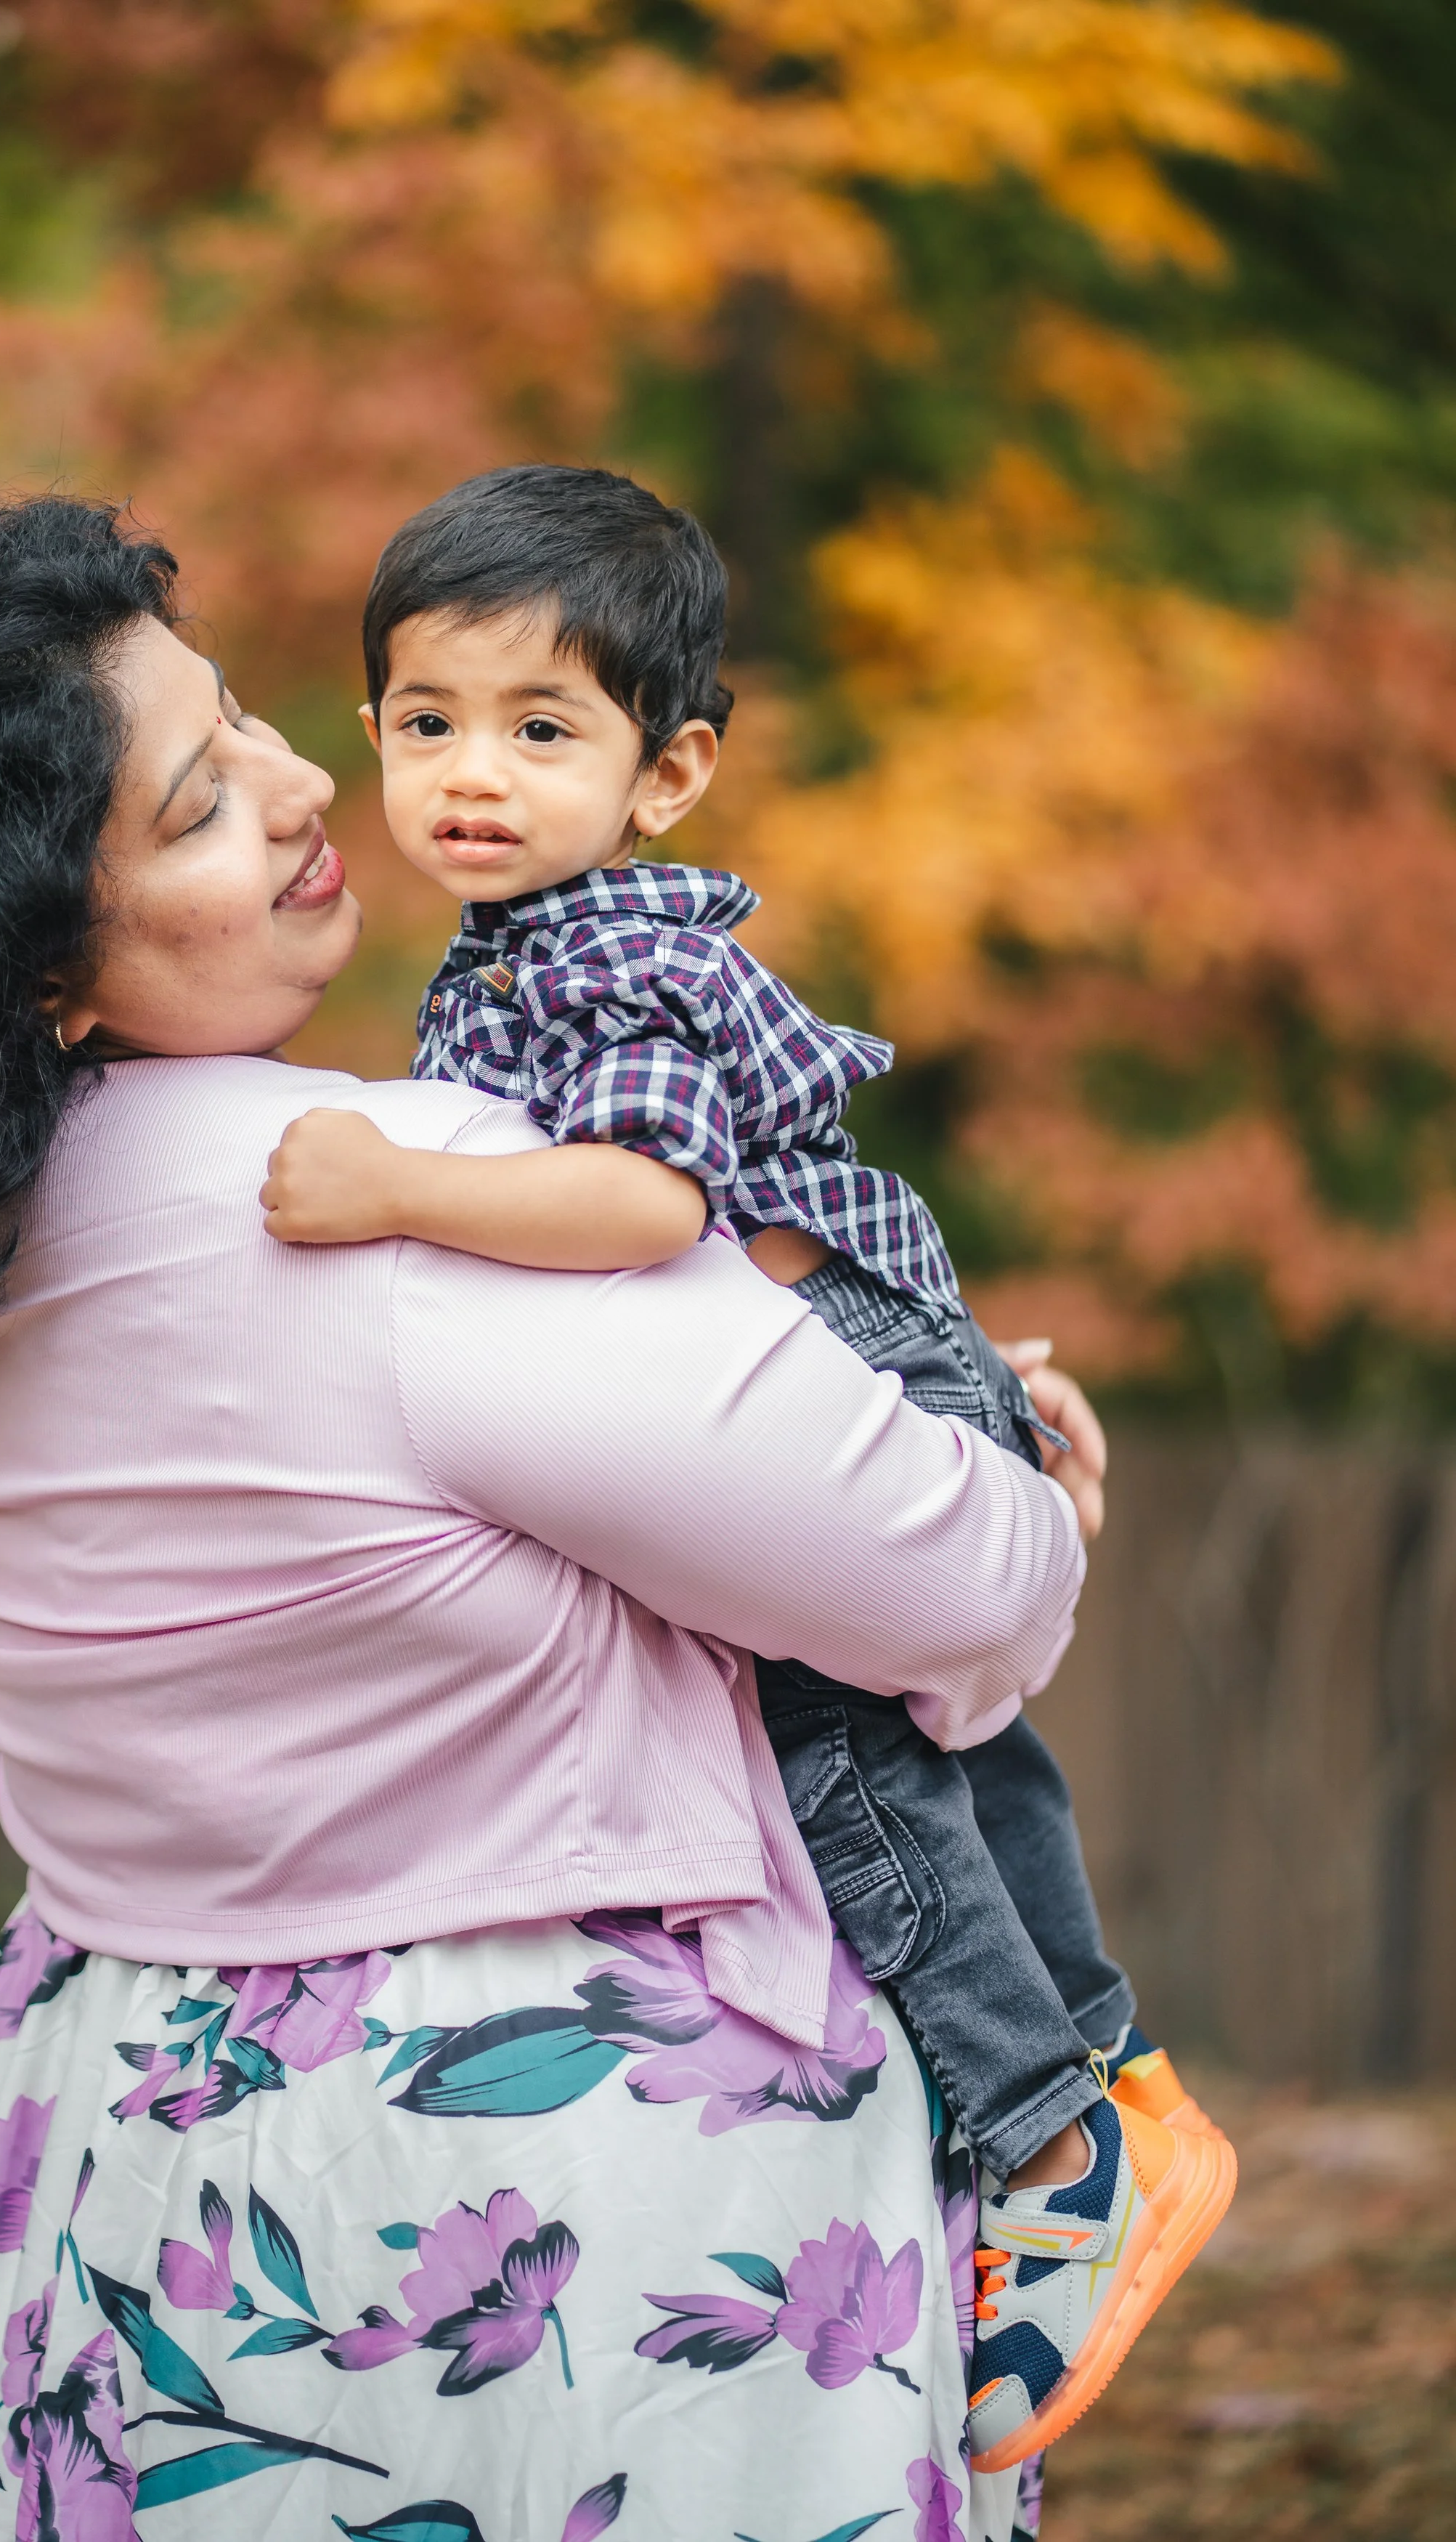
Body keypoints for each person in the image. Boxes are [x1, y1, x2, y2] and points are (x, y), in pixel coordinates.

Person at [0, 495, 1086, 2541]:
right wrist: (1035, 1486)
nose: (309, 779)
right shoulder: (411, 1195)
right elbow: (948, 1583)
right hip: (544, 2193)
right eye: (196, 804)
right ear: (35, 956)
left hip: (124, 2162)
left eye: (240, 713)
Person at [259, 463, 1237, 2472]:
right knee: (946, 1750)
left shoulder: (605, 947)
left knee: (835, 1739)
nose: (471, 773)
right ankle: (1118, 2068)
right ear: (368, 727)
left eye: (543, 731)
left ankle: (1043, 2132)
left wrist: (385, 1181)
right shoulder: (518, 936)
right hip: (862, 1327)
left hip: (839, 1343)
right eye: (428, 722)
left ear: (668, 771)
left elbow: (630, 1205)